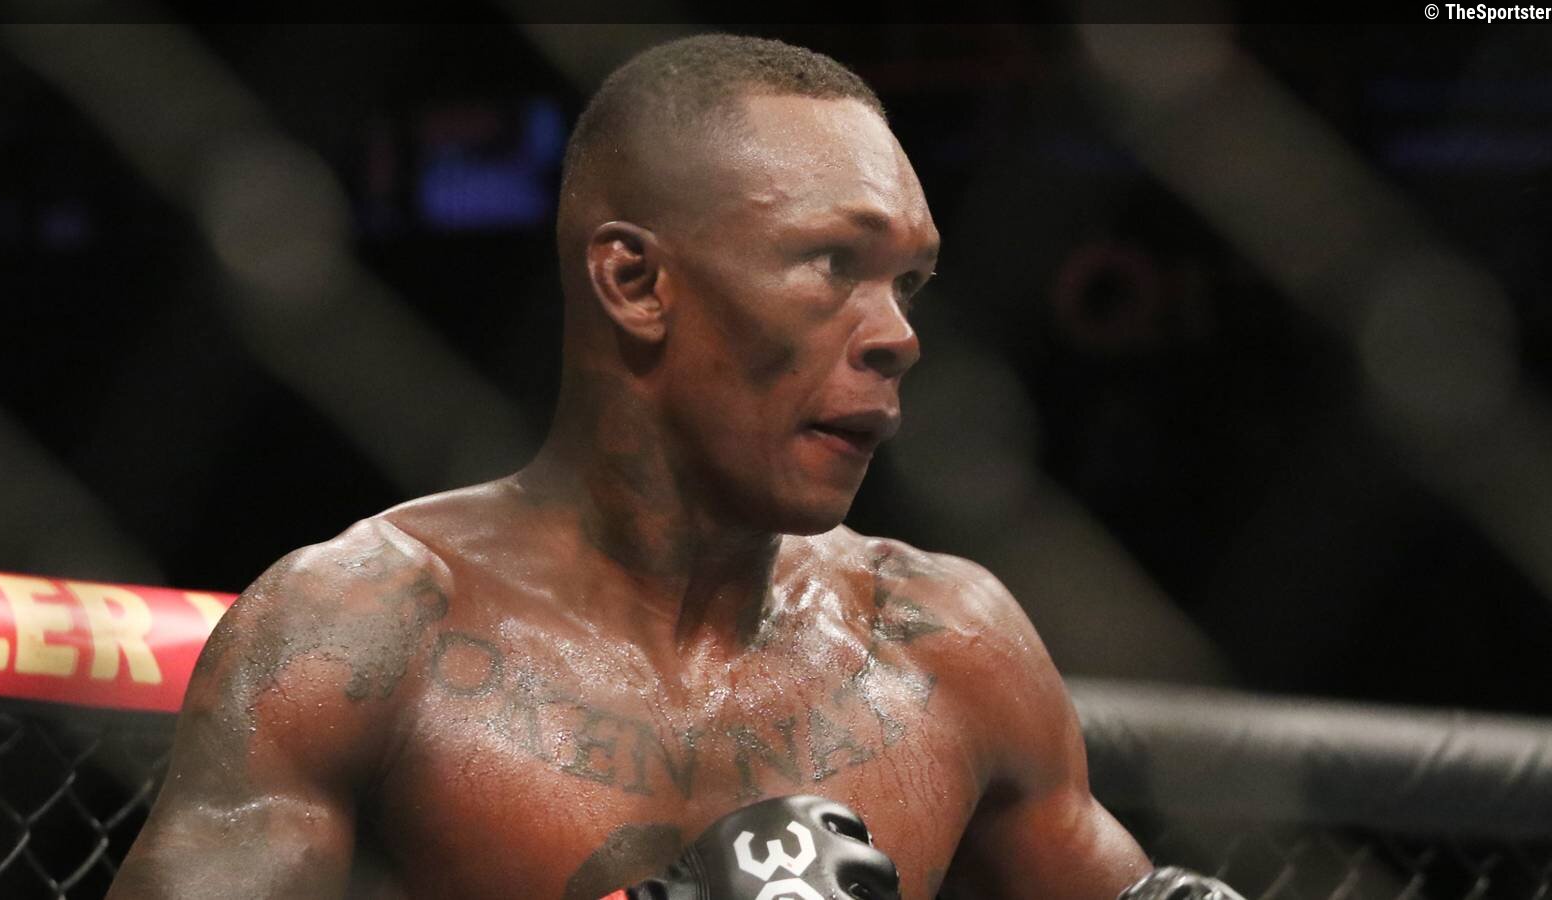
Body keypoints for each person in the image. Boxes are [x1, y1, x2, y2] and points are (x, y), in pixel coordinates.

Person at [109, 34, 1237, 900]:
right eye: (832, 264)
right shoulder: (362, 629)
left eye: (908, 282)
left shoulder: (948, 639)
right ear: (636, 283)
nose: (898, 335)